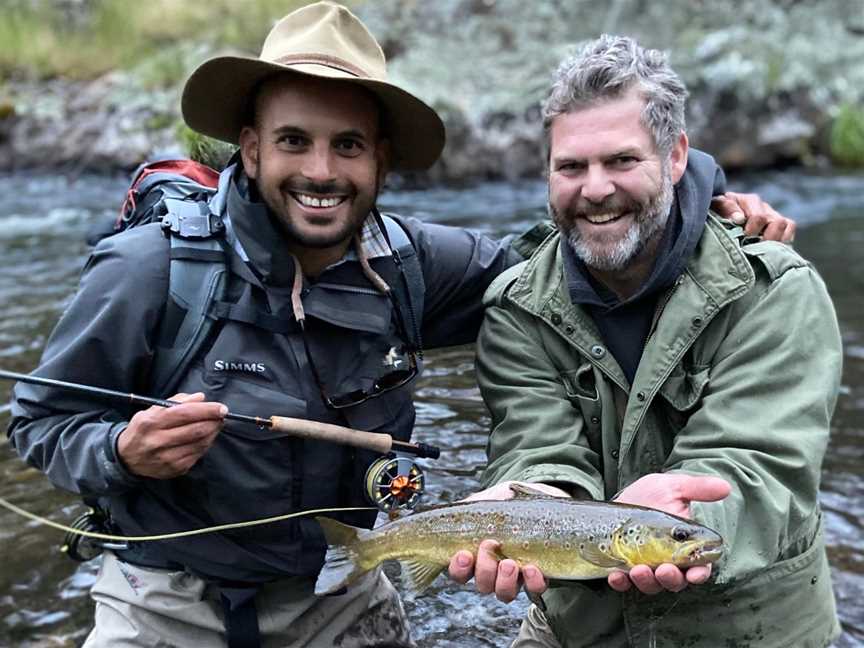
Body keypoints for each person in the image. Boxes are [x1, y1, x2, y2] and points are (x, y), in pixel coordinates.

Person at [8, 4, 795, 647]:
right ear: (248, 149)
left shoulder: (418, 264)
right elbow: (40, 423)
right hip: (164, 602)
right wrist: (119, 453)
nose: (321, 171)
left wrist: (703, 211)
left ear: (381, 160)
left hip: (342, 600)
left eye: (347, 145)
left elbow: (572, 249)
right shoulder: (149, 269)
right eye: (293, 141)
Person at [447, 34, 842, 648]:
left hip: (752, 626)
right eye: (571, 167)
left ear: (676, 155)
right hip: (580, 623)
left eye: (622, 161)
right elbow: (536, 448)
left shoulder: (774, 291)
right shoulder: (515, 308)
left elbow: (759, 464)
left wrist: (675, 522)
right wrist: (535, 496)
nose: (595, 189)